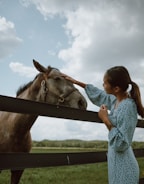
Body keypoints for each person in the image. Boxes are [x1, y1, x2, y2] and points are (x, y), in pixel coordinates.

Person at [61, 66, 144, 184]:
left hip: (125, 167)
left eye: (105, 83)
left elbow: (122, 143)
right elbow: (100, 95)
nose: (103, 85)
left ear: (116, 88)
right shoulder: (117, 100)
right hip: (117, 165)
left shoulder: (128, 107)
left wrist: (106, 120)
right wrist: (77, 82)